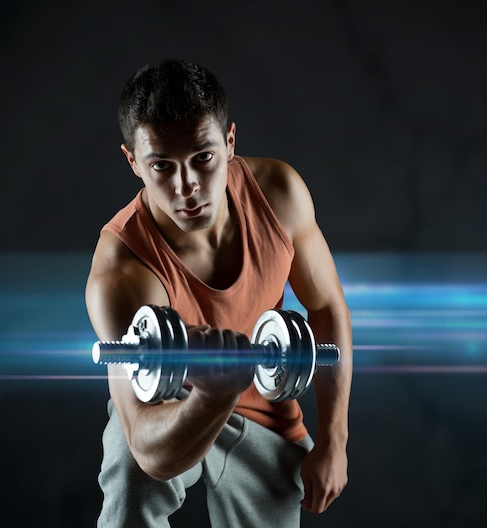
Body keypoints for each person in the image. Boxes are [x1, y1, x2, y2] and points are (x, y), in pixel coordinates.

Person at [85, 58, 352, 527]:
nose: (186, 187)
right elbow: (148, 448)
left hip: (267, 419)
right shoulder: (123, 270)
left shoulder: (278, 195)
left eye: (203, 157)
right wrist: (213, 396)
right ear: (133, 162)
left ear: (229, 143)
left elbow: (326, 307)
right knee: (130, 475)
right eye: (161, 166)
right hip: (171, 414)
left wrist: (334, 441)